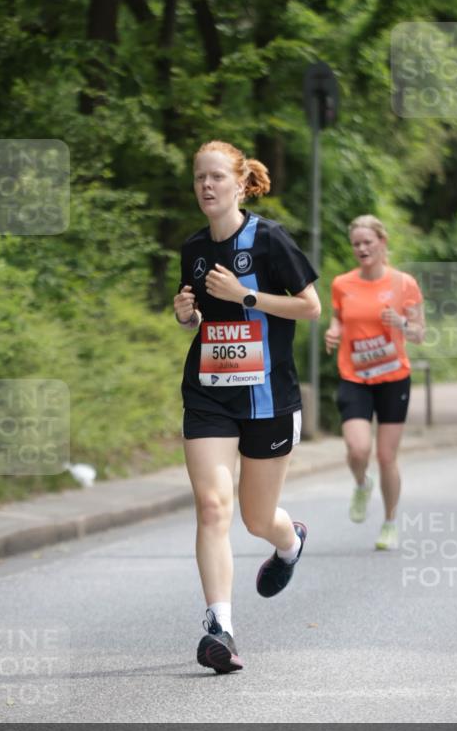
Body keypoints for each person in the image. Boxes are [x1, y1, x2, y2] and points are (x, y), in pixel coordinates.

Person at [174, 140, 321, 674]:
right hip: (210, 392)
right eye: (199, 178)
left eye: (216, 177)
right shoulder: (193, 249)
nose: (207, 186)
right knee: (214, 507)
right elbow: (200, 320)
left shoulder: (270, 239)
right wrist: (187, 314)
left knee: (258, 518)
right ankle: (220, 627)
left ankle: (290, 541)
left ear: (239, 183)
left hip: (269, 397)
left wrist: (246, 296)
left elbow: (310, 306)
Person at [324, 215, 425, 550]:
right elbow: (339, 317)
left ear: (382, 243)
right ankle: (361, 483)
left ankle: (390, 522)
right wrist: (334, 331)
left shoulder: (404, 284)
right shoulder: (342, 284)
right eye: (357, 244)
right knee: (357, 449)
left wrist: (400, 322)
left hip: (393, 378)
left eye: (368, 242)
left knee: (385, 456)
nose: (362, 249)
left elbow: (419, 333)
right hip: (355, 376)